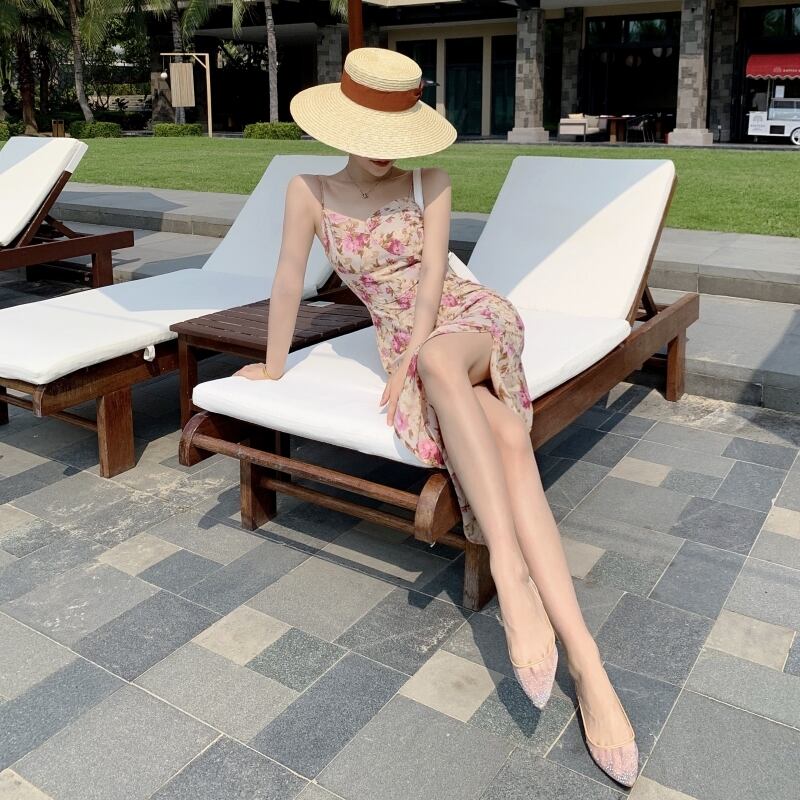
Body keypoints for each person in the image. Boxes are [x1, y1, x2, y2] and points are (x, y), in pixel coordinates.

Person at [235, 47, 638, 787]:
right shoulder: (307, 191)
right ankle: (589, 665)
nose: (385, 152)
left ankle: (508, 573)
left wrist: (411, 358)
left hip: (468, 321)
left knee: (442, 363)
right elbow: (289, 277)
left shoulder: (431, 180)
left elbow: (430, 286)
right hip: (409, 342)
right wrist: (275, 363)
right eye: (372, 134)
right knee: (508, 435)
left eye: (397, 136)